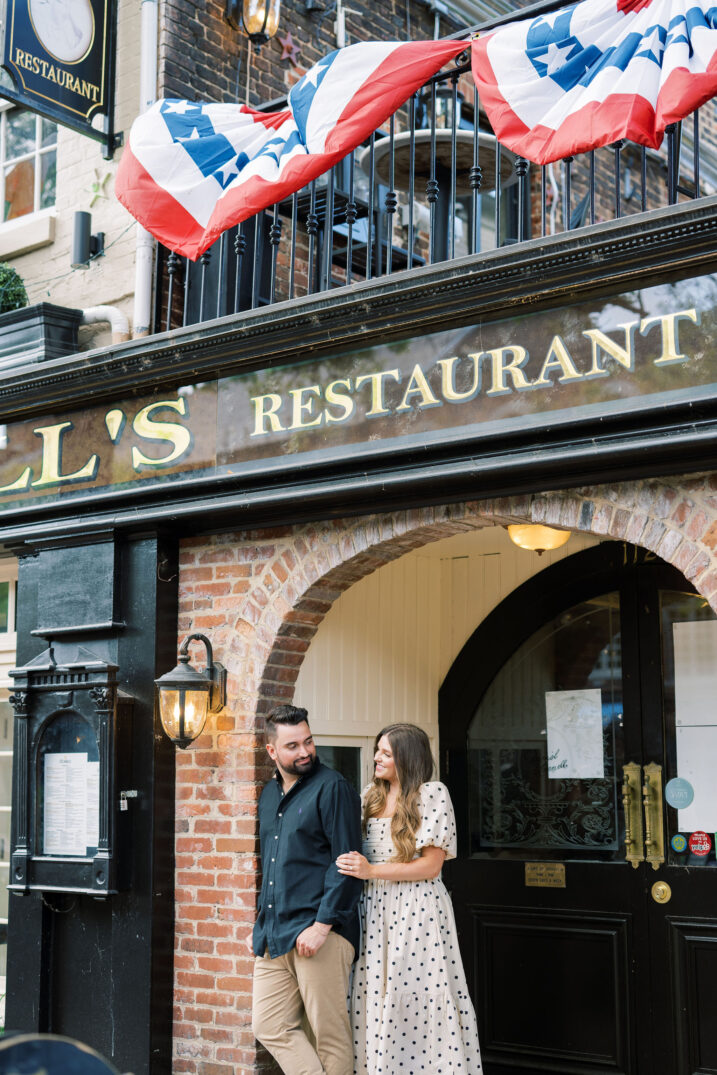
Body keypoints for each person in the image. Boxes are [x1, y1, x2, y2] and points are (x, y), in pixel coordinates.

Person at [337, 723, 482, 1074]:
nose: (376, 757)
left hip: (415, 909)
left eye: (386, 753)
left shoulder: (430, 794)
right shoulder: (371, 795)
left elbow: (430, 866)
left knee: (413, 992)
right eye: (377, 750)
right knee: (375, 992)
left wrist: (370, 871)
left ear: (408, 758)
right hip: (372, 909)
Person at [249, 703, 363, 1075]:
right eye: (293, 746)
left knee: (327, 1035)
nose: (304, 752)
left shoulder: (333, 788)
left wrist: (322, 925)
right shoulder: (269, 796)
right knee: (268, 1025)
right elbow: (272, 863)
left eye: (308, 742)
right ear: (272, 751)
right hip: (274, 932)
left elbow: (345, 863)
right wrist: (262, 922)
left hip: (321, 932)